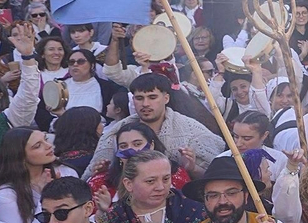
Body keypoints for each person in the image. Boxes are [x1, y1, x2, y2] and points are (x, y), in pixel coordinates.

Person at [90, 73, 225, 175]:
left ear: (166, 98)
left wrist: (192, 168)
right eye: (139, 98)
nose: (145, 104)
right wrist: (102, 172)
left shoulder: (192, 130)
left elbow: (214, 175)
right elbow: (96, 175)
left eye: (152, 97)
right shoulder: (116, 132)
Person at [182, 155, 297, 223]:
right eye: (213, 195)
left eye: (231, 193)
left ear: (246, 196)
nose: (222, 201)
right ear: (204, 199)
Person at [0, 128, 75, 223]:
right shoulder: (5, 196)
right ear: (20, 157)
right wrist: (46, 197)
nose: (48, 146)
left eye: (45, 140)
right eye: (38, 146)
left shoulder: (66, 172)